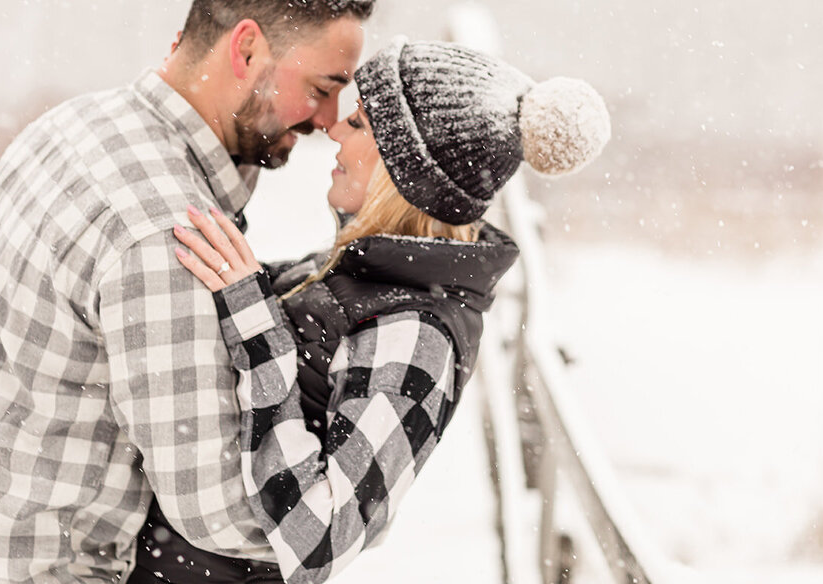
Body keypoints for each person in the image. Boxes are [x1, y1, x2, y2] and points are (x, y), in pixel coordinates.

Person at [0, 0, 376, 582]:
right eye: (323, 86)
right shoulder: (162, 230)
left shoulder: (75, 128)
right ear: (247, 49)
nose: (331, 120)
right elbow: (219, 508)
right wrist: (357, 497)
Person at [127, 39, 612, 584]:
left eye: (358, 124)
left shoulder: (417, 335)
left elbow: (321, 538)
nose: (332, 130)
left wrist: (255, 324)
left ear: (403, 173)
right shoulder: (359, 272)